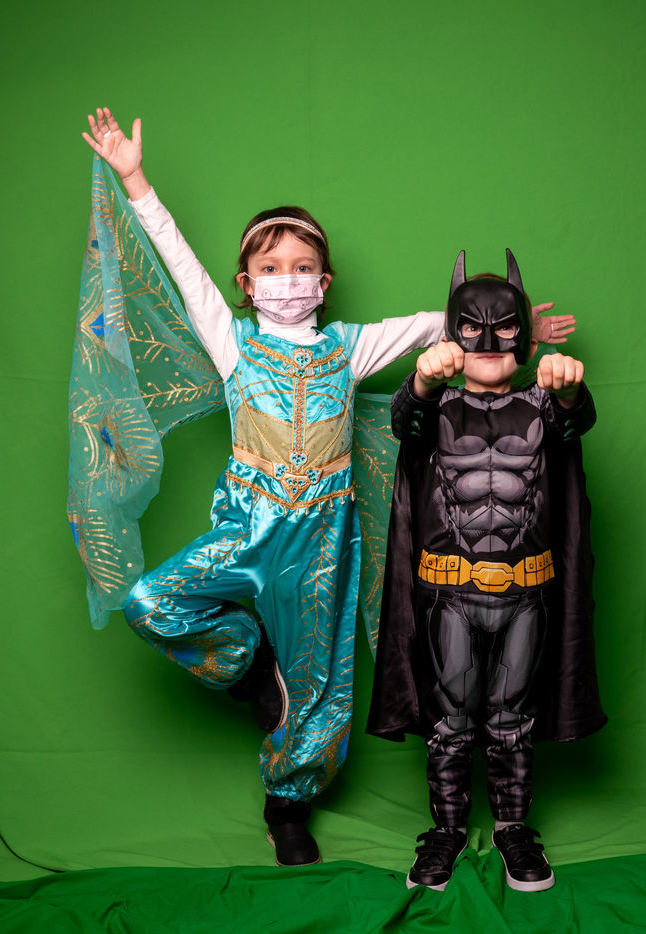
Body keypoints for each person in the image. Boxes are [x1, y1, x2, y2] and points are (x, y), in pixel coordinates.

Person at [78, 108, 577, 867]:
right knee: (152, 602)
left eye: (302, 265)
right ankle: (252, 669)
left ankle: (287, 807)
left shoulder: (348, 349)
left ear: (325, 281)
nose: (288, 279)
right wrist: (135, 179)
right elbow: (181, 267)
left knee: (318, 682)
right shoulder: (231, 342)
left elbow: (433, 326)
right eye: (271, 268)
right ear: (246, 284)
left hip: (321, 538)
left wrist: (511, 328)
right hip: (248, 524)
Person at [367, 250, 606, 892]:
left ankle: (512, 829)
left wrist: (569, 386)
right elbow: (405, 420)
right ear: (452, 335)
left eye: (506, 328)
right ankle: (446, 830)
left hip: (527, 591)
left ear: (525, 339)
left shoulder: (543, 405)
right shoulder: (437, 406)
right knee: (450, 719)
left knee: (511, 718)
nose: (490, 342)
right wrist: (421, 380)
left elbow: (577, 419)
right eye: (473, 327)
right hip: (449, 592)